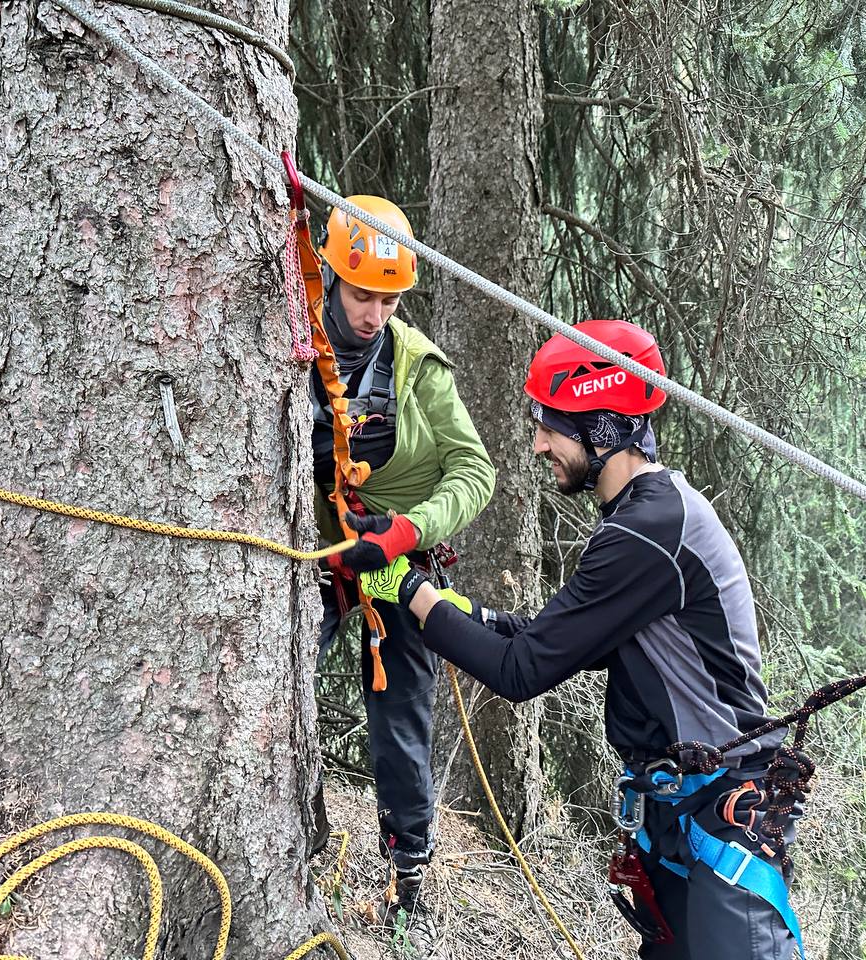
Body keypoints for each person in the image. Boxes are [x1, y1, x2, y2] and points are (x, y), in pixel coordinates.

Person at [358, 319, 804, 960]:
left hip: (722, 816)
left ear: (602, 428)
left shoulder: (646, 534)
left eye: (550, 425)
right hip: (686, 815)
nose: (539, 444)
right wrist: (442, 598)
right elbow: (552, 639)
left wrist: (410, 592)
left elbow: (523, 672)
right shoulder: (648, 516)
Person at [310, 195, 495, 918]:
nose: (374, 314)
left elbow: (475, 472)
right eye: (362, 295)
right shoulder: (287, 345)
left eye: (389, 299)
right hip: (324, 550)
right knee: (277, 679)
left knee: (401, 715)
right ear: (328, 276)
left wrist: (408, 530)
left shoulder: (419, 369)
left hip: (397, 557)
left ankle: (407, 879)